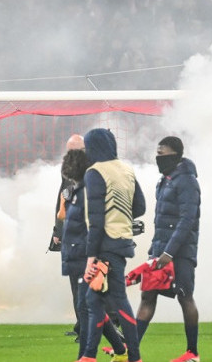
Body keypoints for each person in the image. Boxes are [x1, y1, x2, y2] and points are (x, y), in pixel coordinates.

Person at [58, 136, 129, 362]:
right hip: (74, 252)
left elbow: (90, 222)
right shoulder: (76, 188)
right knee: (89, 305)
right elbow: (63, 216)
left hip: (86, 254)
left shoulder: (89, 188)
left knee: (86, 305)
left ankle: (85, 356)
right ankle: (120, 351)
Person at [79, 128, 145, 362]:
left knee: (118, 300)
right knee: (93, 299)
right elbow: (140, 207)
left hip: (105, 245)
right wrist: (120, 214)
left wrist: (90, 258)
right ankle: (91, 355)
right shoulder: (126, 169)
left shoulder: (95, 172)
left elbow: (96, 221)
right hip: (123, 241)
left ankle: (134, 357)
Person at [136, 136, 201, 362]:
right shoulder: (165, 180)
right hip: (160, 251)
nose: (157, 158)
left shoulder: (187, 181)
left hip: (179, 253)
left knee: (185, 297)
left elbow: (187, 220)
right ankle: (130, 353)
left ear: (175, 154)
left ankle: (193, 353)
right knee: (147, 296)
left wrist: (169, 252)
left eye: (161, 154)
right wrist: (156, 250)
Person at [52, 133, 86, 338]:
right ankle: (81, 325)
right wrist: (58, 229)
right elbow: (62, 196)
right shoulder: (68, 170)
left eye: (78, 150)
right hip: (70, 233)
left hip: (85, 234)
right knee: (76, 281)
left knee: (88, 282)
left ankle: (96, 327)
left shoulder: (91, 170)